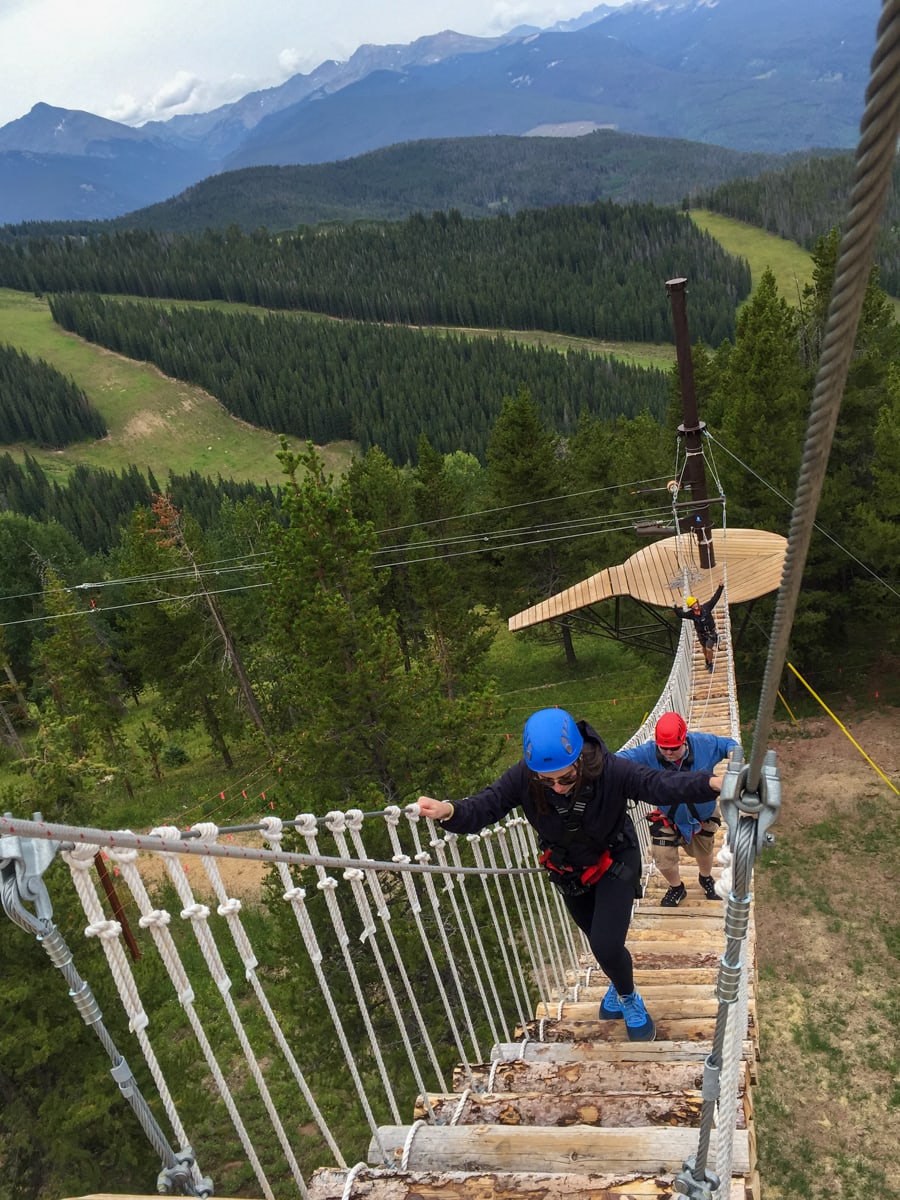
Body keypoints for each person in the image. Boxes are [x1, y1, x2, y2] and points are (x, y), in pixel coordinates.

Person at [417, 706, 723, 1043]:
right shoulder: (523, 777)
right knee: (597, 940)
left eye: (566, 778)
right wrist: (450, 811)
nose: (558, 788)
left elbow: (659, 783)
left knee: (606, 945)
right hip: (568, 872)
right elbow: (486, 805)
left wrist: (713, 783)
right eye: (546, 781)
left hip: (615, 860)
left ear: (581, 759)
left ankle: (629, 997)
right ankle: (618, 983)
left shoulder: (610, 770)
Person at [618, 711, 739, 906]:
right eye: (663, 748)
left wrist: (735, 757)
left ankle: (705, 877)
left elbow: (729, 745)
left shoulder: (704, 744)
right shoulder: (648, 752)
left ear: (684, 740)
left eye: (674, 747)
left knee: (704, 850)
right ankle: (677, 888)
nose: (668, 753)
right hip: (668, 815)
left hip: (703, 814)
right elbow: (616, 761)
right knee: (661, 855)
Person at [673, 581, 724, 673]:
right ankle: (707, 660)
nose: (695, 605)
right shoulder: (691, 614)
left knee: (708, 648)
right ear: (691, 607)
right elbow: (681, 614)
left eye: (695, 603)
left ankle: (710, 663)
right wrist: (675, 607)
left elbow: (715, 599)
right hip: (701, 635)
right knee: (704, 649)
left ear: (697, 602)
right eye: (693, 605)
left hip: (711, 633)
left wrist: (720, 587)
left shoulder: (706, 607)